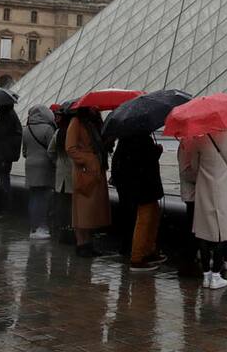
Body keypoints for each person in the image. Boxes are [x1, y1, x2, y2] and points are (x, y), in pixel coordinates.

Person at [190, 127, 227, 290]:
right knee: (222, 232)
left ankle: (206, 275)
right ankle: (216, 275)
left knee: (203, 232)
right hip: (224, 189)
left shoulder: (198, 139)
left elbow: (194, 167)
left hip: (204, 190)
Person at [111, 132, 165, 272]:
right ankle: (138, 257)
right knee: (145, 220)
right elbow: (144, 159)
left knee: (152, 215)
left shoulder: (125, 139)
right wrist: (157, 151)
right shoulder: (140, 139)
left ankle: (148, 251)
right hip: (143, 186)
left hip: (138, 185)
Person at [66, 106, 111, 256]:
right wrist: (88, 160)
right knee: (82, 209)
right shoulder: (76, 122)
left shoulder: (95, 122)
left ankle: (88, 244)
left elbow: (100, 144)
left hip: (96, 170)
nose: (96, 108)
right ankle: (81, 244)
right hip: (84, 171)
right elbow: (70, 148)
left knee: (92, 210)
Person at [22, 105, 57, 239]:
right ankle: (41, 227)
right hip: (44, 167)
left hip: (30, 165)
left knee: (33, 197)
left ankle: (33, 227)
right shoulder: (48, 129)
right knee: (43, 198)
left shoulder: (26, 129)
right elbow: (51, 150)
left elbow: (24, 152)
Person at [177, 133, 203, 277]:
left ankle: (189, 258)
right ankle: (188, 259)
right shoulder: (189, 141)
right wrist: (203, 176)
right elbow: (187, 171)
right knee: (192, 227)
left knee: (192, 226)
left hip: (192, 193)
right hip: (192, 193)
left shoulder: (187, 141)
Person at [52, 106, 75, 245]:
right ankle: (71, 232)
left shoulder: (59, 132)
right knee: (72, 205)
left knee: (62, 205)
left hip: (61, 174)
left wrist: (58, 163)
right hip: (72, 173)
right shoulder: (73, 132)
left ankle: (62, 232)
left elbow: (50, 151)